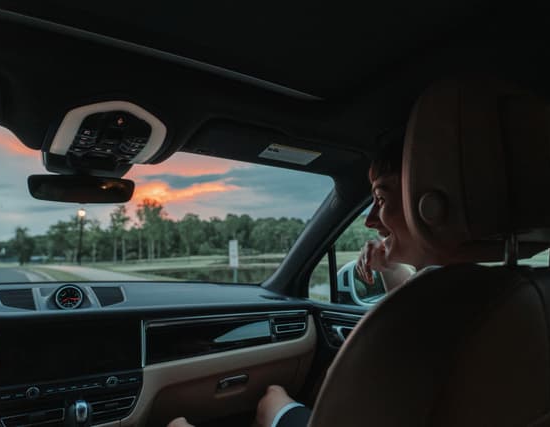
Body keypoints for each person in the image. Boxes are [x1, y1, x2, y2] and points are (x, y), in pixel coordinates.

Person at [168, 142, 432, 427]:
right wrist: (390, 265)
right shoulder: (457, 294)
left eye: (380, 200)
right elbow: (413, 308)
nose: (369, 220)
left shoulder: (437, 301)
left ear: (430, 205)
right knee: (275, 396)